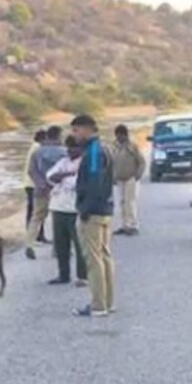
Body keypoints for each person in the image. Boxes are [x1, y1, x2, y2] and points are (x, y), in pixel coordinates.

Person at [72, 114, 116, 318]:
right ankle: (108, 302)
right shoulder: (103, 148)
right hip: (104, 209)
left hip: (94, 212)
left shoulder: (94, 152)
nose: (75, 135)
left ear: (87, 129)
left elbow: (95, 182)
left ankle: (98, 305)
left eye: (76, 130)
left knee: (94, 259)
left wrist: (85, 209)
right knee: (104, 256)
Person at [46, 136, 88, 287]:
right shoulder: (63, 161)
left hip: (75, 210)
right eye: (68, 147)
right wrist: (68, 174)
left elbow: (76, 183)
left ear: (81, 149)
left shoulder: (85, 163)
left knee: (80, 245)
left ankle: (82, 276)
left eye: (74, 147)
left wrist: (62, 176)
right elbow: (50, 176)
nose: (70, 150)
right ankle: (63, 275)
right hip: (58, 208)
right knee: (61, 245)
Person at [25, 125, 66, 259]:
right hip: (59, 191)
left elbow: (31, 171)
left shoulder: (37, 152)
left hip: (41, 190)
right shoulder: (64, 152)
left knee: (36, 217)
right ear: (59, 136)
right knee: (57, 219)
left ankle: (29, 244)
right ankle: (57, 249)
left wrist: (41, 184)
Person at [111, 124, 146, 236]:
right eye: (117, 136)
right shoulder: (115, 147)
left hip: (131, 178)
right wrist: (113, 176)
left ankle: (133, 225)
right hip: (119, 179)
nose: (118, 138)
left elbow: (141, 161)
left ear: (125, 135)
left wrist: (138, 175)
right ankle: (124, 225)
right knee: (122, 202)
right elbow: (112, 162)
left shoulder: (132, 146)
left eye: (120, 135)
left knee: (130, 202)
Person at [22, 129, 48, 243]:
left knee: (34, 210)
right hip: (33, 184)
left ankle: (35, 235)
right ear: (43, 139)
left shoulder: (34, 147)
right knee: (36, 211)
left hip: (30, 183)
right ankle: (35, 236)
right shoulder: (38, 148)